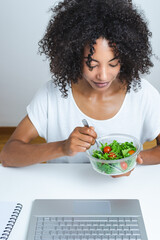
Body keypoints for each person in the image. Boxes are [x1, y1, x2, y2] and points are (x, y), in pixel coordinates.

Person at [0, 0, 160, 176]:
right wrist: (62, 147)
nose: (103, 76)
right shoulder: (52, 95)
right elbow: (8, 155)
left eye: (113, 64)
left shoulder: (143, 94)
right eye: (92, 64)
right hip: (62, 194)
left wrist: (128, 161)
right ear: (74, 56)